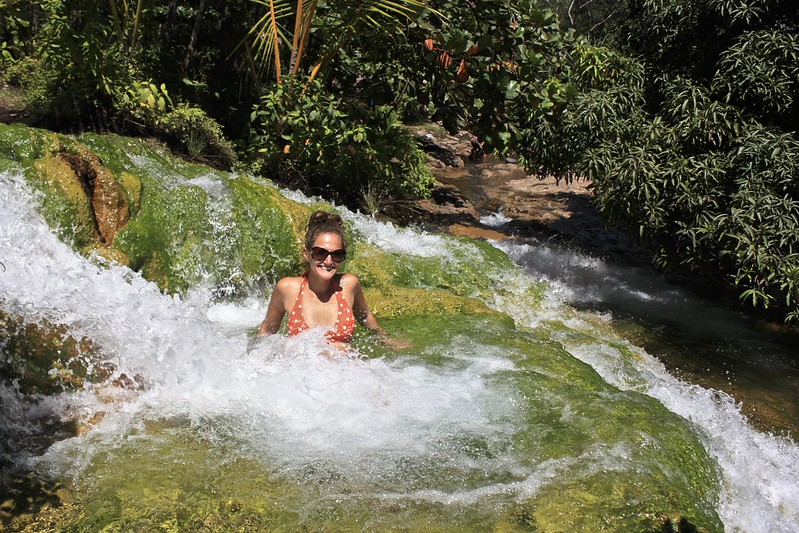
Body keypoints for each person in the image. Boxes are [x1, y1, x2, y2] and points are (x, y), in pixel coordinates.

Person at [258, 210, 401, 350]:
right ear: (307, 254)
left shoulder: (349, 285)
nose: (328, 261)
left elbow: (365, 316)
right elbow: (267, 330)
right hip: (302, 371)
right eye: (320, 253)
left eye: (337, 254)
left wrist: (385, 339)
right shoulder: (288, 288)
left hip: (348, 370)